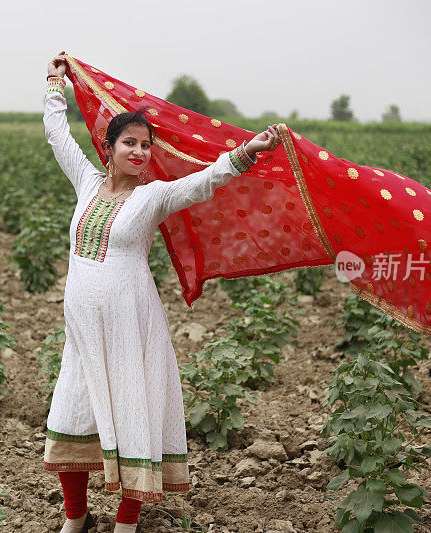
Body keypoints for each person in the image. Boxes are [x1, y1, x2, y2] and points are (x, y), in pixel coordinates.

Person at [42, 53, 281, 533]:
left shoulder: (152, 196)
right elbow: (57, 136)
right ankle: (76, 518)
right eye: (129, 143)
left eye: (146, 146)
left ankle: (126, 524)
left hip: (132, 326)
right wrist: (54, 85)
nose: (140, 152)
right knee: (71, 411)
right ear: (108, 148)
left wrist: (245, 152)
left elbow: (202, 182)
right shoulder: (86, 184)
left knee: (134, 415)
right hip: (84, 331)